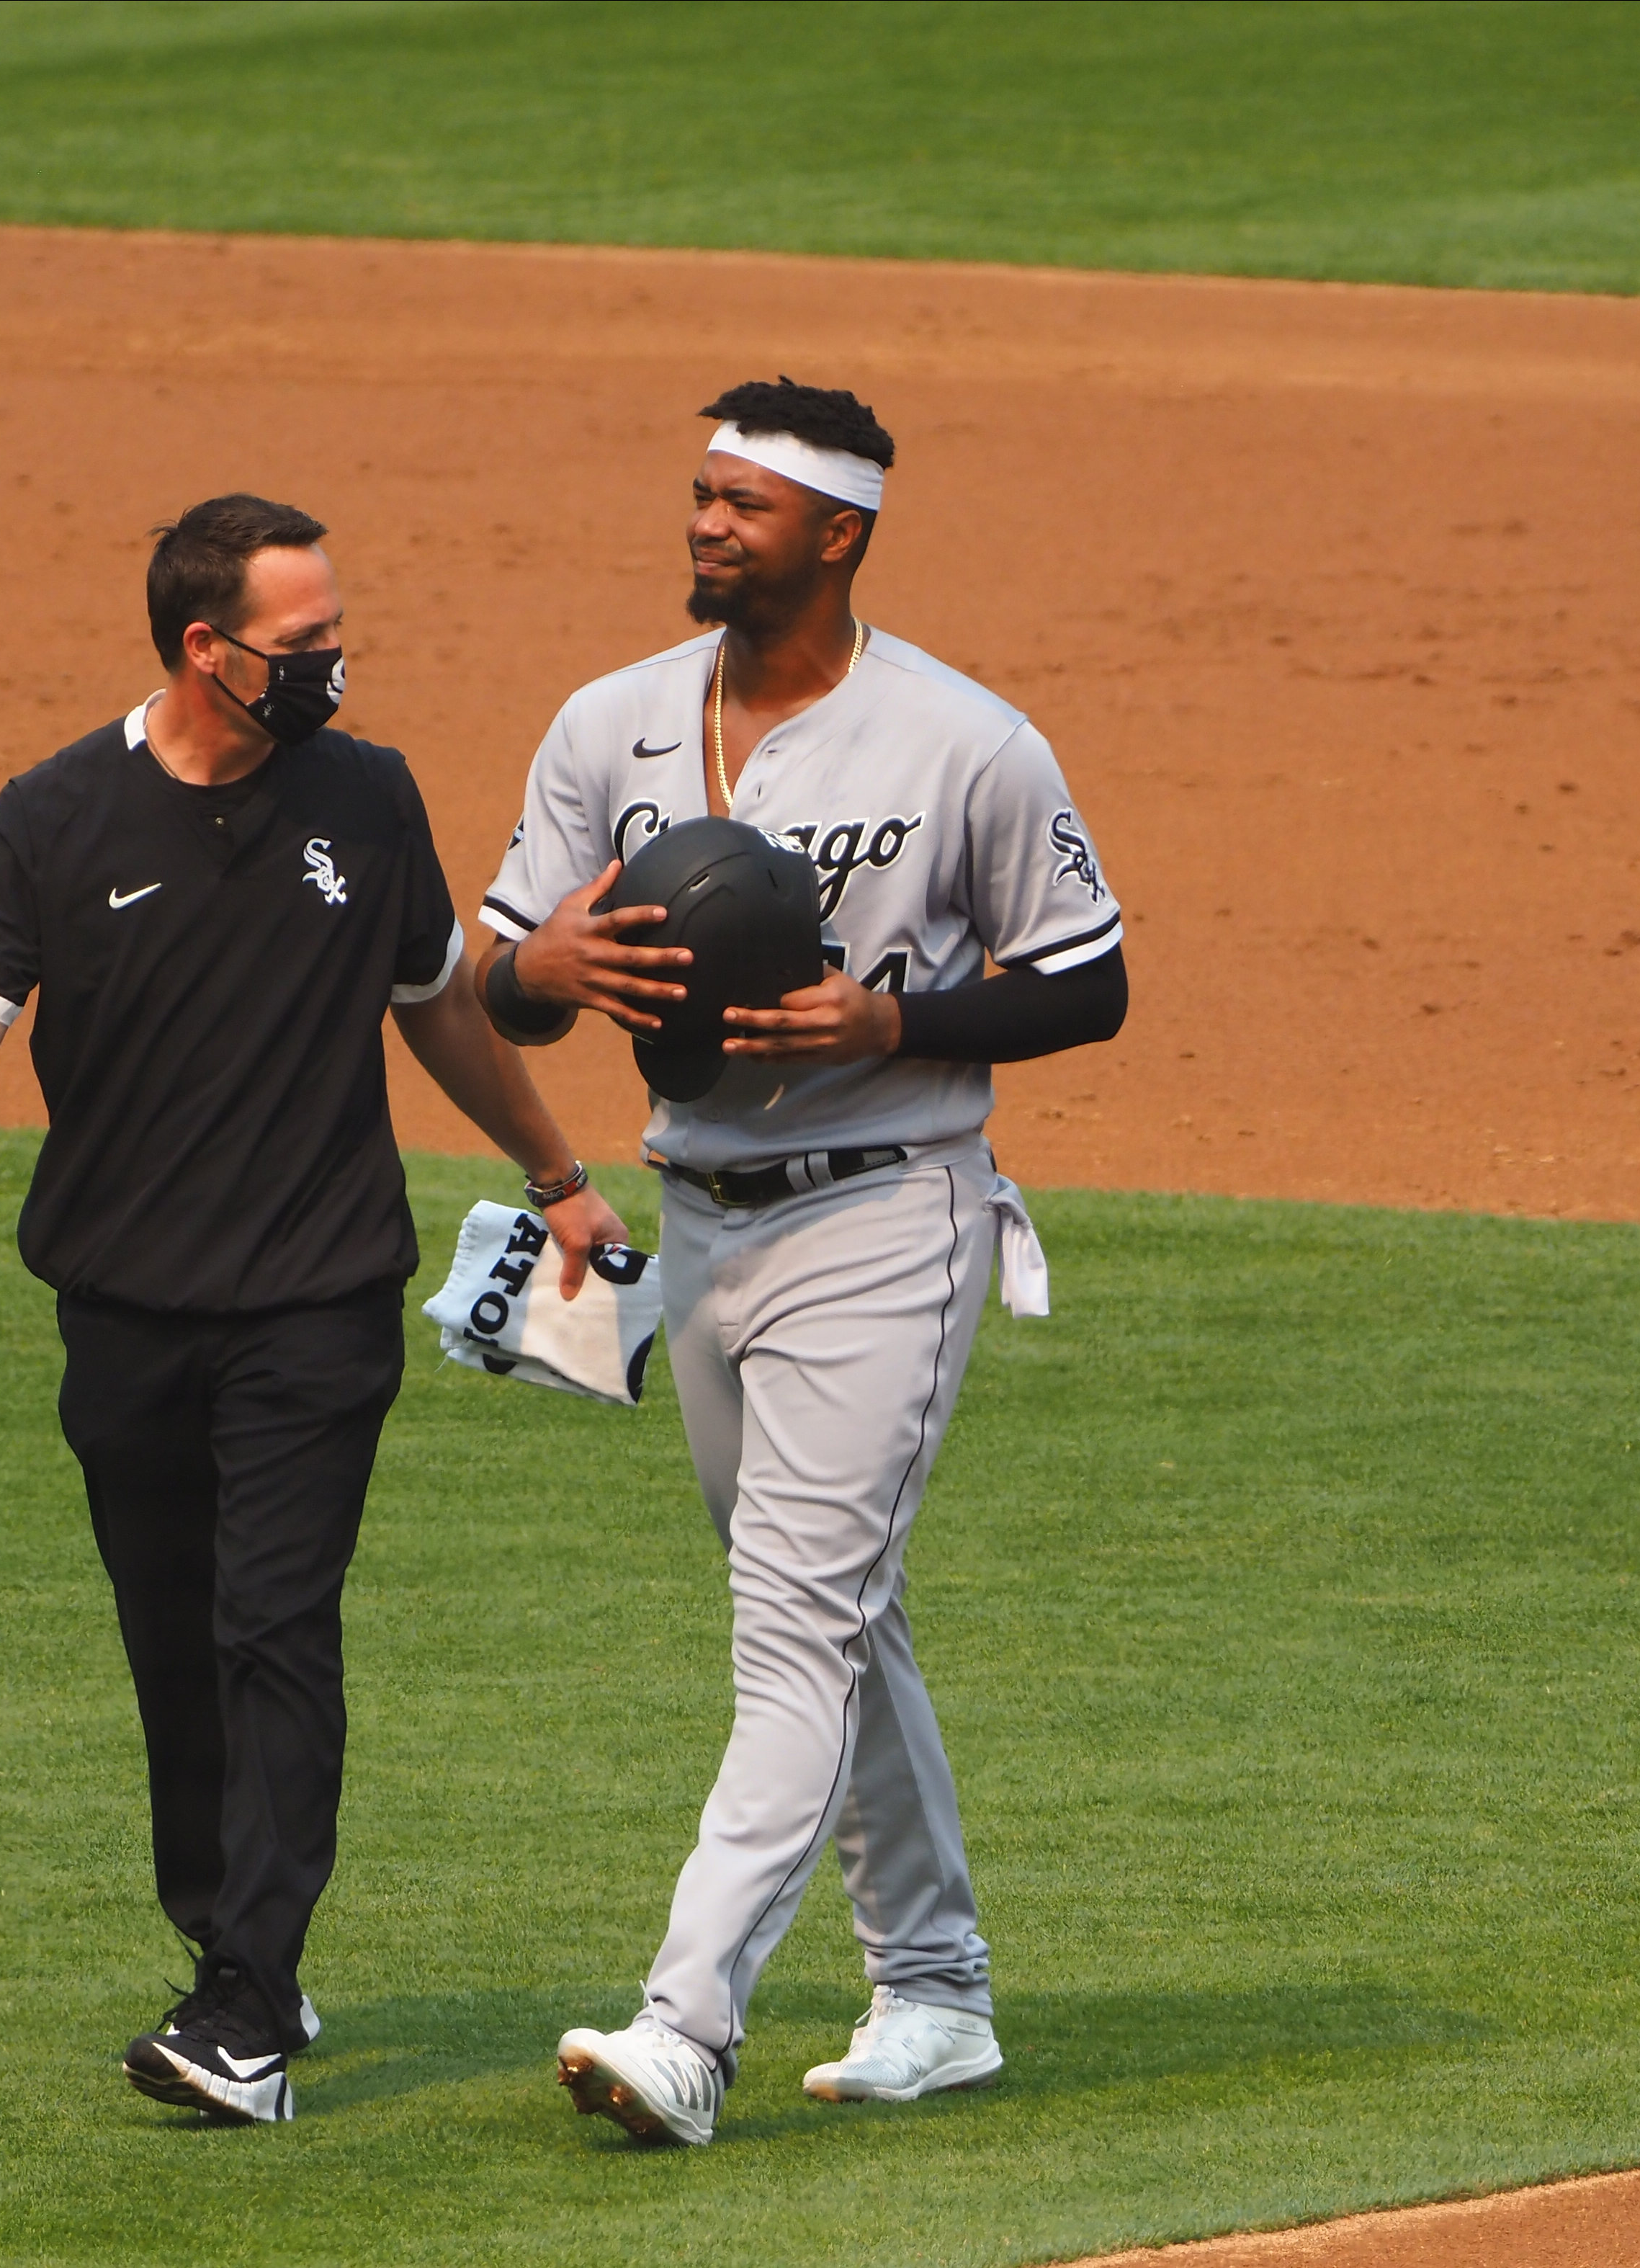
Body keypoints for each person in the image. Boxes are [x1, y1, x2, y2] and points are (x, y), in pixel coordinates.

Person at [0, 494, 624, 2122]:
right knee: (172, 1643)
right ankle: (228, 1941)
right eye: (303, 643)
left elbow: (442, 1008)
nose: (334, 663)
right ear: (206, 649)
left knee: (271, 1623)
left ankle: (246, 2012)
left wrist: (559, 1174)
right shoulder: (54, 814)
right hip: (121, 1311)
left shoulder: (366, 793)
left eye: (337, 634)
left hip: (314, 1302)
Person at [475, 379, 1128, 2143]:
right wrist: (556, 971)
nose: (703, 523)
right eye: (696, 492)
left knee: (791, 1632)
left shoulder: (964, 741)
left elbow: (1088, 977)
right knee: (839, 1623)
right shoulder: (607, 723)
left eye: (742, 504)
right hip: (701, 1221)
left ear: (837, 533)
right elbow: (495, 977)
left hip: (884, 1213)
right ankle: (936, 1989)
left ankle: (684, 2027)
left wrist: (890, 1012)